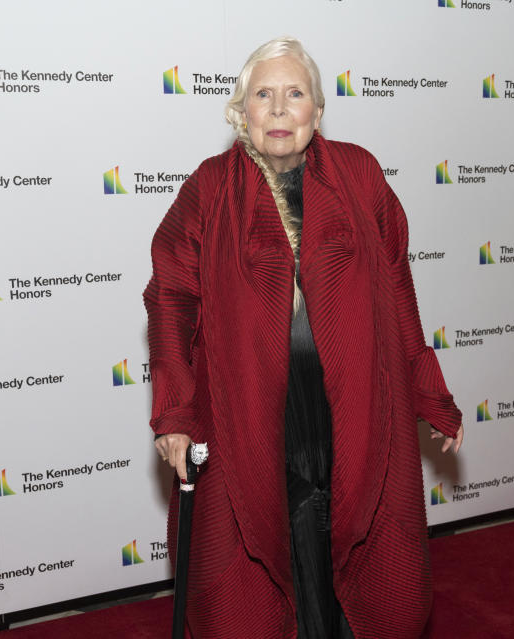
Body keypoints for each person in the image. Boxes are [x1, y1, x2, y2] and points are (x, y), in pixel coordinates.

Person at [145, 37, 463, 639]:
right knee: (267, 569)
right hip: (249, 415)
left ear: (318, 111)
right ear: (242, 112)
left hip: (355, 406)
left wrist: (430, 396)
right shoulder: (209, 190)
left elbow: (397, 283)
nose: (280, 108)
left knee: (357, 555)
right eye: (264, 95)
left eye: (295, 94)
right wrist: (176, 414)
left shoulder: (360, 174)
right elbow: (170, 299)